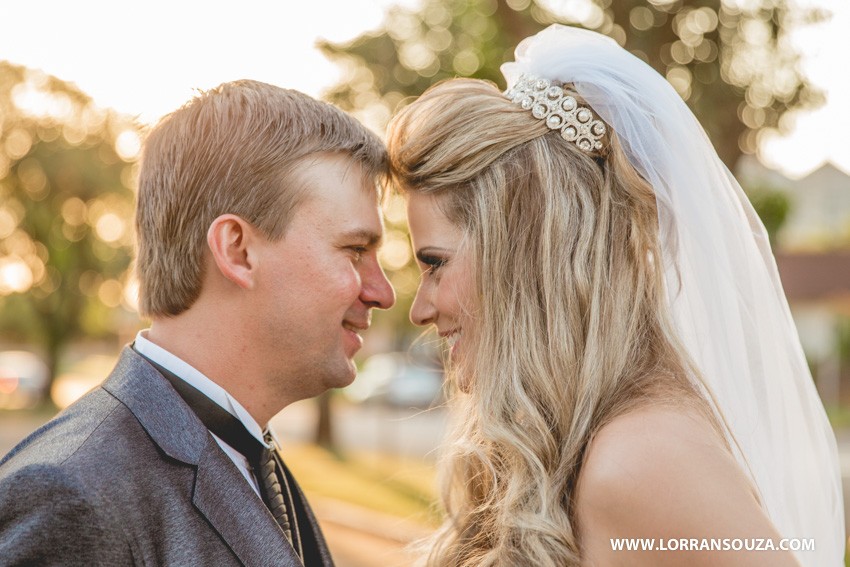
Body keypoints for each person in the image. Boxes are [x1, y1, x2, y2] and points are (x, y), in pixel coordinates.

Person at [387, 25, 844, 567]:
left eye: (435, 265)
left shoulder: (644, 459)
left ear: (525, 258)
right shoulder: (560, 446)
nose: (419, 308)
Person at [0, 80, 395, 565]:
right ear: (237, 250)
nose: (383, 292)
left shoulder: (248, 453)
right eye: (355, 251)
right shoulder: (71, 494)